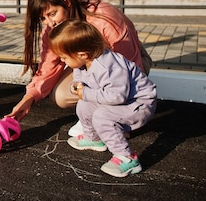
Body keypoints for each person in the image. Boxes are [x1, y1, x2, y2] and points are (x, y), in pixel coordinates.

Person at [7, 0, 151, 136]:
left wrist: (129, 110)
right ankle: (92, 114)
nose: (49, 23)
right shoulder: (51, 30)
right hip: (92, 65)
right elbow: (48, 67)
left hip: (126, 64)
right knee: (61, 95)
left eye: (52, 13)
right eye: (43, 18)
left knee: (115, 96)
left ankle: (115, 118)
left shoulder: (102, 17)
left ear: (67, 3)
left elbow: (128, 62)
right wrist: (29, 98)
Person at [48, 19, 157, 178]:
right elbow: (79, 77)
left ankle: (127, 158)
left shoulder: (108, 66)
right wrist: (76, 85)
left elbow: (118, 96)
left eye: (64, 58)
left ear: (82, 54)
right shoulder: (82, 62)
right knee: (83, 106)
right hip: (121, 99)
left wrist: (86, 93)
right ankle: (94, 138)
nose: (63, 61)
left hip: (139, 103)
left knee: (102, 117)